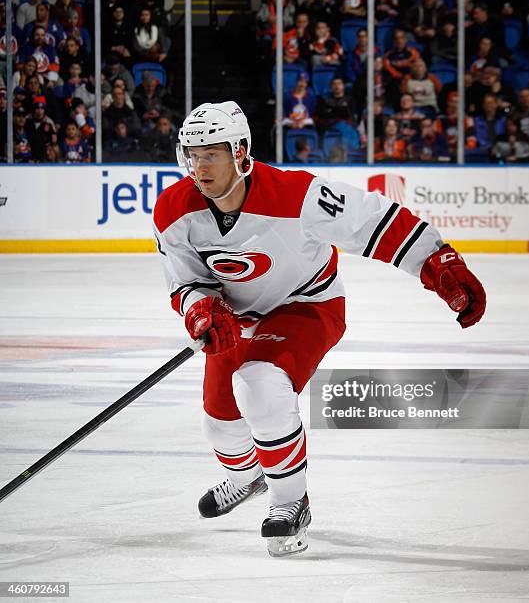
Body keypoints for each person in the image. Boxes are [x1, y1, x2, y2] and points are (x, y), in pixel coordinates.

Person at [152, 101, 486, 557]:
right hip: (235, 316)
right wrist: (202, 310)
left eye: (212, 153)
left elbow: (375, 220)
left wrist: (438, 264)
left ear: (241, 152)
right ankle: (246, 475)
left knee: (260, 385)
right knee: (221, 425)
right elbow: (185, 280)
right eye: (193, 154)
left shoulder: (298, 195)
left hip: (306, 305)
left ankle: (290, 502)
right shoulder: (173, 208)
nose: (200, 166)